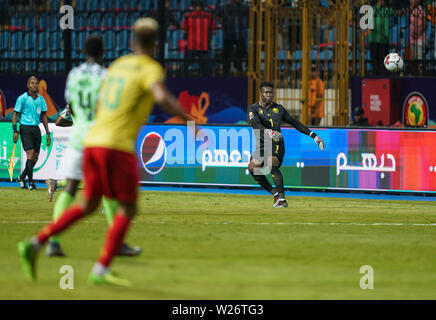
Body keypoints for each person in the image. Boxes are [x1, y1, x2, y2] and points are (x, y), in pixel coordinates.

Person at [18, 17, 193, 286]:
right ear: (155, 44)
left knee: (86, 201)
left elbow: (85, 104)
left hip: (92, 142)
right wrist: (188, 119)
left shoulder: (119, 66)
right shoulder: (149, 67)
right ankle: (101, 267)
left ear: (132, 41)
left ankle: (37, 242)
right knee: (128, 206)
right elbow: (159, 96)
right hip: (116, 144)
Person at [43, 36, 141, 258]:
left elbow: (71, 105)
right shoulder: (106, 77)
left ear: (83, 51)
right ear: (102, 53)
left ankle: (53, 241)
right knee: (110, 190)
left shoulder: (74, 75)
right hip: (100, 138)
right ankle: (117, 243)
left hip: (78, 139)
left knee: (70, 188)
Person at [247, 82, 325, 208]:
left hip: (276, 143)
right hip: (262, 145)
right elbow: (256, 124)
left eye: (271, 92)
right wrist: (270, 132)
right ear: (261, 93)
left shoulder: (279, 109)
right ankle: (274, 193)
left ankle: (282, 198)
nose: (269, 95)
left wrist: (314, 136)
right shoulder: (253, 108)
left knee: (271, 163)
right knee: (252, 168)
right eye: (266, 92)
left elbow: (295, 123)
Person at [12, 76, 51, 190]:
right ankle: (31, 183)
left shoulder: (41, 100)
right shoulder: (22, 98)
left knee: (35, 157)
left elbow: (44, 116)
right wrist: (15, 130)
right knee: (30, 153)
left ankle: (21, 177)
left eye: (36, 83)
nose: (35, 85)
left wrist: (47, 133)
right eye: (32, 83)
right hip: (25, 128)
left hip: (36, 129)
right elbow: (15, 114)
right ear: (28, 85)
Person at [181, 0, 216, 76]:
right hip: (203, 45)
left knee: (186, 66)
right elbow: (213, 31)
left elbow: (183, 30)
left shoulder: (188, 16)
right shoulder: (208, 16)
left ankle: (184, 81)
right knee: (204, 68)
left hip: (192, 45)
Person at [216, 0, 248, 75]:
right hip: (228, 35)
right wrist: (221, 20)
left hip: (240, 34)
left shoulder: (243, 6)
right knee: (226, 57)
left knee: (241, 55)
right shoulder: (223, 7)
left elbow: (249, 12)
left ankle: (240, 71)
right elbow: (216, 15)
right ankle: (226, 75)